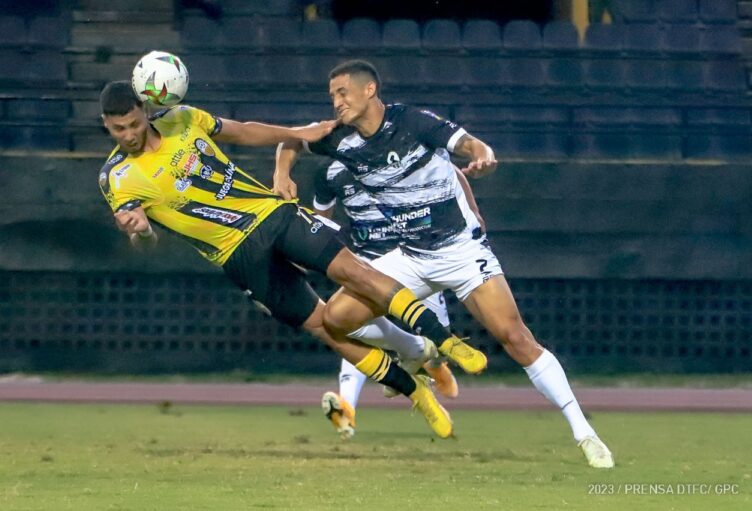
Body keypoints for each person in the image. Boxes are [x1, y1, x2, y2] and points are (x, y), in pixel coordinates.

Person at [273, 60, 615, 468]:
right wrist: (281, 173)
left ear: (370, 90)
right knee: (336, 319)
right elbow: (289, 139)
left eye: (342, 93)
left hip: (460, 252)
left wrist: (484, 154)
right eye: (331, 95)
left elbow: (469, 144)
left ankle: (585, 434)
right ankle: (415, 352)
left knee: (517, 338)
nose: (336, 102)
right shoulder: (339, 138)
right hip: (410, 257)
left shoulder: (412, 122)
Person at [96, 80, 484, 438]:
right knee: (325, 328)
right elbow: (144, 244)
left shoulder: (181, 118)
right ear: (106, 126)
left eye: (132, 124)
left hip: (272, 215)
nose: (128, 135)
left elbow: (244, 131)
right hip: (237, 256)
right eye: (118, 130)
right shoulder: (117, 177)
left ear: (144, 112)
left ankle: (445, 340)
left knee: (356, 273)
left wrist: (297, 135)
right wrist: (142, 231)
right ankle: (415, 393)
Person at [314, 159, 469, 439]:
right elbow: (319, 221)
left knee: (439, 337)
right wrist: (281, 170)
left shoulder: (392, 150)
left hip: (411, 259)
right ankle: (347, 406)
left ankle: (433, 364)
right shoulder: (329, 170)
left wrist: (470, 211)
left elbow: (449, 173)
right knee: (352, 332)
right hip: (366, 263)